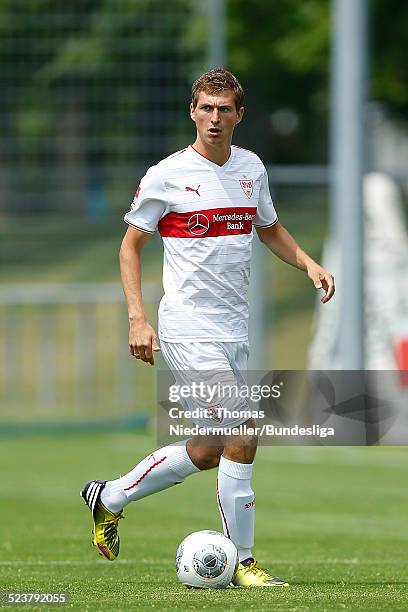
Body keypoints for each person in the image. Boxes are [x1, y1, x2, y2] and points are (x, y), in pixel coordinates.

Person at [81, 68, 335, 587]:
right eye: (205, 108)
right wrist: (137, 318)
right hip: (187, 328)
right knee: (243, 431)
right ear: (192, 111)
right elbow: (131, 246)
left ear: (240, 115)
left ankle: (109, 496)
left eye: (224, 109)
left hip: (232, 330)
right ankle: (242, 561)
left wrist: (308, 263)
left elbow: (267, 227)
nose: (214, 118)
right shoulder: (167, 174)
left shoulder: (251, 168)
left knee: (210, 447)